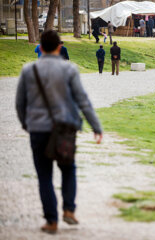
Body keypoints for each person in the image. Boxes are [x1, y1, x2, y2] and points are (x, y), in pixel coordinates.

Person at [15, 30, 103, 234]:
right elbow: (82, 100)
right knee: (68, 168)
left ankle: (51, 221)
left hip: (38, 129)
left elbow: (20, 103)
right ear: (58, 47)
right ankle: (69, 210)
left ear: (41, 47)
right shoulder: (69, 69)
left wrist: (26, 124)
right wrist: (96, 127)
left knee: (44, 176)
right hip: (64, 129)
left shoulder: (29, 70)